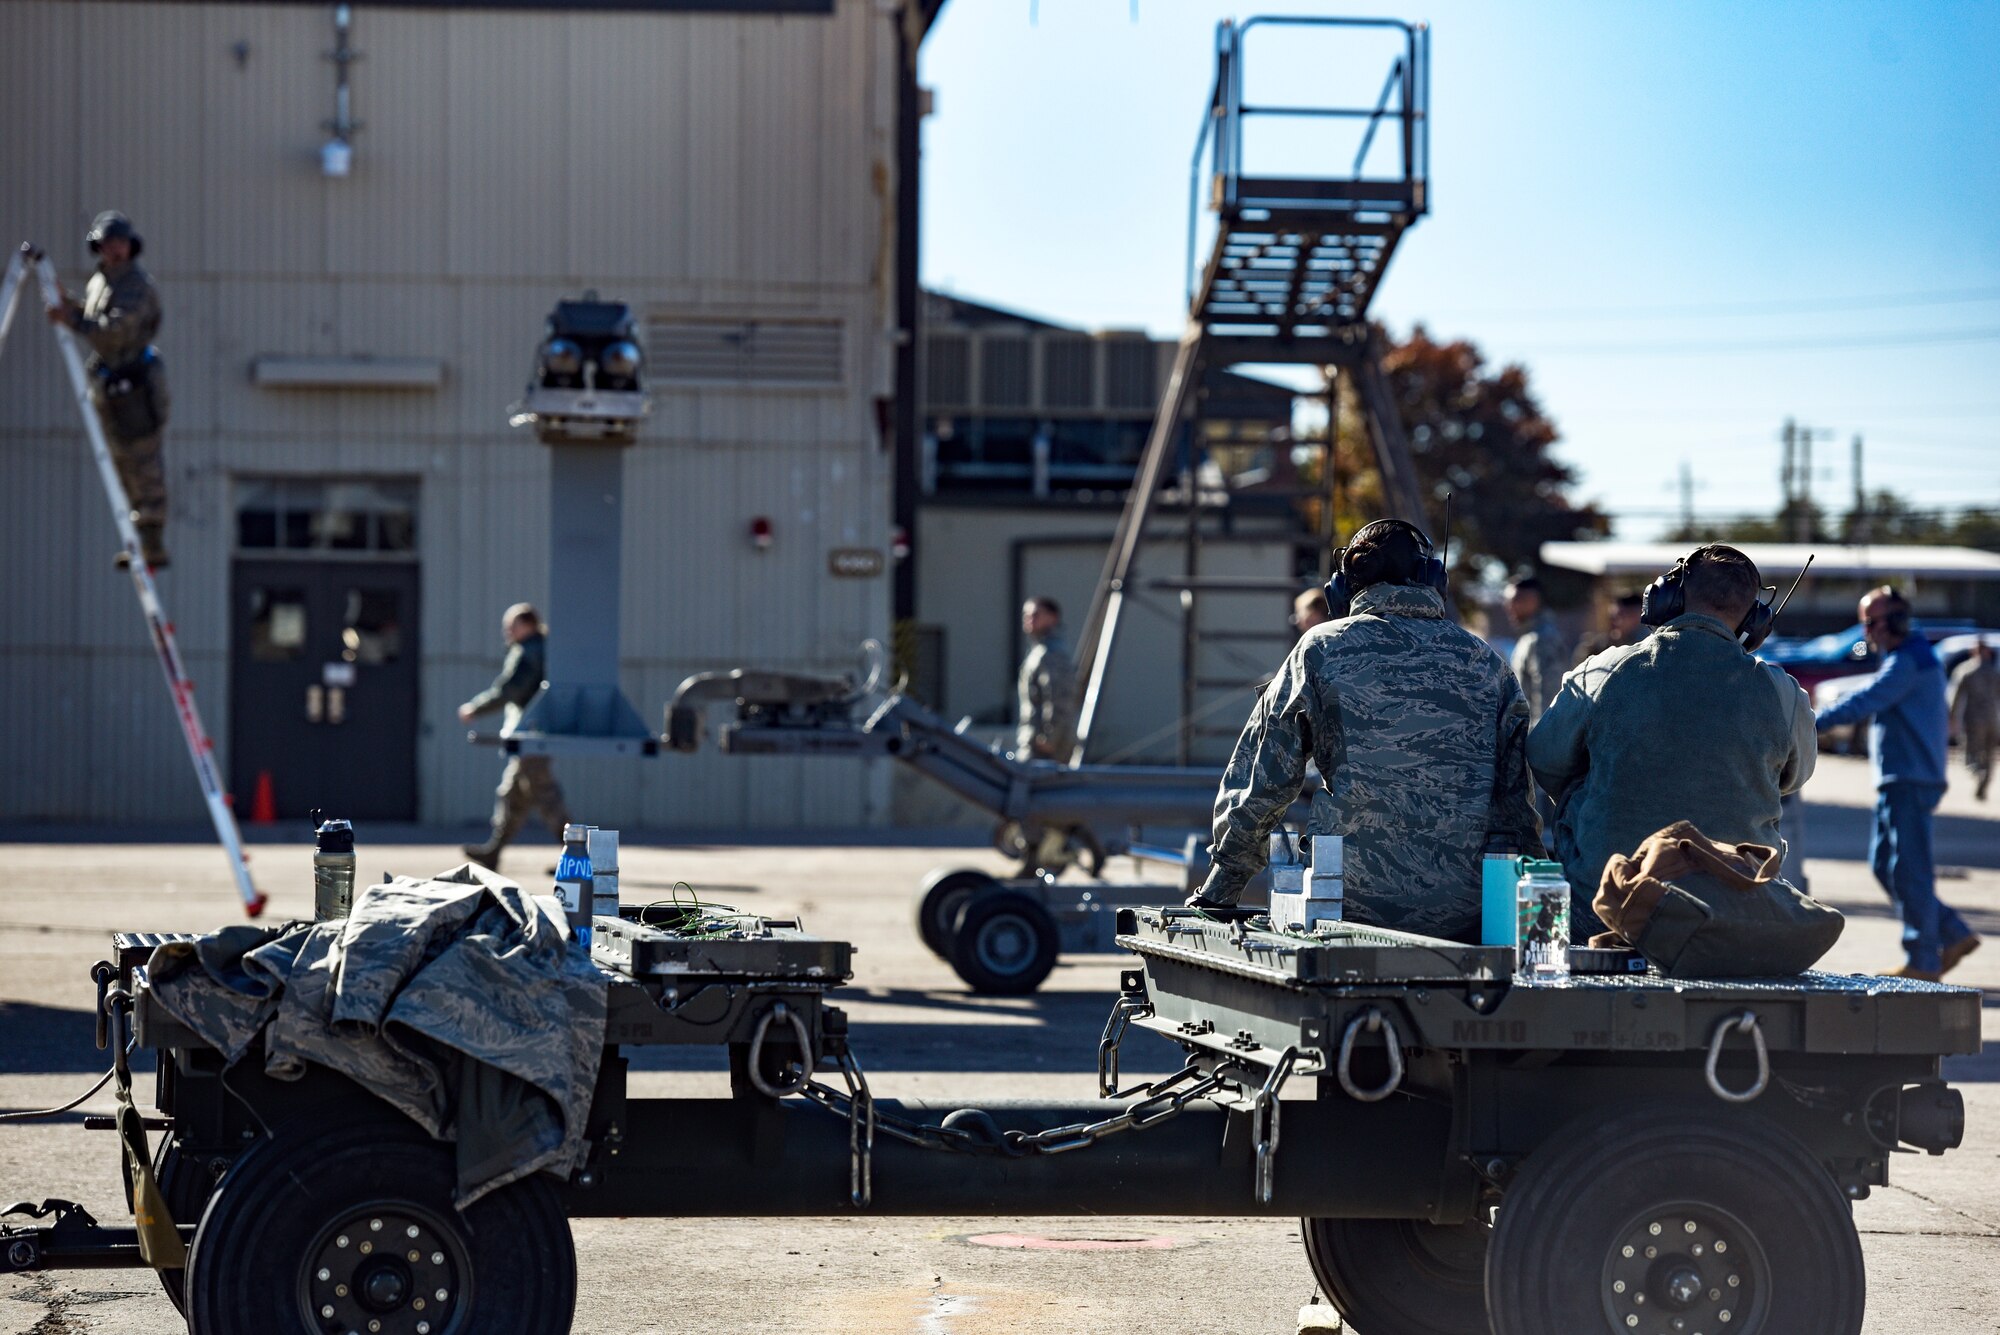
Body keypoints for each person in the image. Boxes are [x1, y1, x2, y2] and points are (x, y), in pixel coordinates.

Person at [1189, 519, 1542, 941]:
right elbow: (1518, 808)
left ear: (1343, 587)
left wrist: (1223, 886)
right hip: (1466, 921)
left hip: (1344, 915)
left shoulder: (1321, 650)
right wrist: (1528, 918)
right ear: (1434, 580)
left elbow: (1264, 781)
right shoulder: (1489, 665)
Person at [1527, 546, 1816, 935]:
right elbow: (1795, 778)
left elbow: (1544, 757)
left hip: (1606, 911)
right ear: (1755, 620)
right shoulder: (1783, 694)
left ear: (1666, 598)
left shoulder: (1605, 671)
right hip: (1737, 911)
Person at [1815, 588, 1980, 980]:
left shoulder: (1910, 660)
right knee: (1885, 865)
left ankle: (1923, 958)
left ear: (1899, 622)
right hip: (1901, 779)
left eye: (1872, 623)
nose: (1867, 632)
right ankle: (1952, 932)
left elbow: (1865, 699)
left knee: (1909, 870)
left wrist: (1807, 720)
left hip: (1909, 779)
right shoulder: (1907, 655)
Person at [45, 211, 171, 569]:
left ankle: (152, 542)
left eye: (120, 243)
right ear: (98, 247)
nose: (115, 250)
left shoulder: (134, 284)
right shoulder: (104, 280)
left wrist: (70, 319)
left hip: (135, 381)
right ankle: (137, 540)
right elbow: (95, 315)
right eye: (108, 244)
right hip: (112, 381)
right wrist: (69, 305)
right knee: (119, 458)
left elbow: (114, 331)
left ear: (131, 246)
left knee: (141, 457)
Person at [459, 603, 571, 871]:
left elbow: (509, 690)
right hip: (528, 734)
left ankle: (577, 856)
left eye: (512, 625)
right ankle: (494, 851)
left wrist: (476, 707)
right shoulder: (539, 649)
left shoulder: (530, 652)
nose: (507, 631)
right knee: (512, 795)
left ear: (528, 625)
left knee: (546, 796)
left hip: (530, 734)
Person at [1016, 596, 1077, 761]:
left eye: (1035, 614)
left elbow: (1059, 697)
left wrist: (1050, 737)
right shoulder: (1039, 650)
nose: (1029, 619)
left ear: (1053, 618)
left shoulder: (1052, 653)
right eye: (1026, 615)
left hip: (1044, 746)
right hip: (1032, 739)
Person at [1505, 575, 1571, 726]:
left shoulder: (1542, 639)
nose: (1509, 606)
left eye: (1515, 600)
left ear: (1532, 601)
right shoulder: (1530, 637)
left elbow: (1549, 700)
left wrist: (1540, 743)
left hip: (1541, 736)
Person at [1948, 639, 1998, 801]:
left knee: (1970, 756)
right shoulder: (1994, 672)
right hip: (1992, 719)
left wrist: (1952, 717)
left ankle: (1978, 772)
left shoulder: (1966, 670)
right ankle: (1984, 781)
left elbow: (1955, 696)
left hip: (1974, 720)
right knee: (1989, 755)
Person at [1572, 591, 1647, 666]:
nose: (1615, 621)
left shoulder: (1646, 645)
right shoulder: (1597, 646)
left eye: (1622, 615)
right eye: (1613, 617)